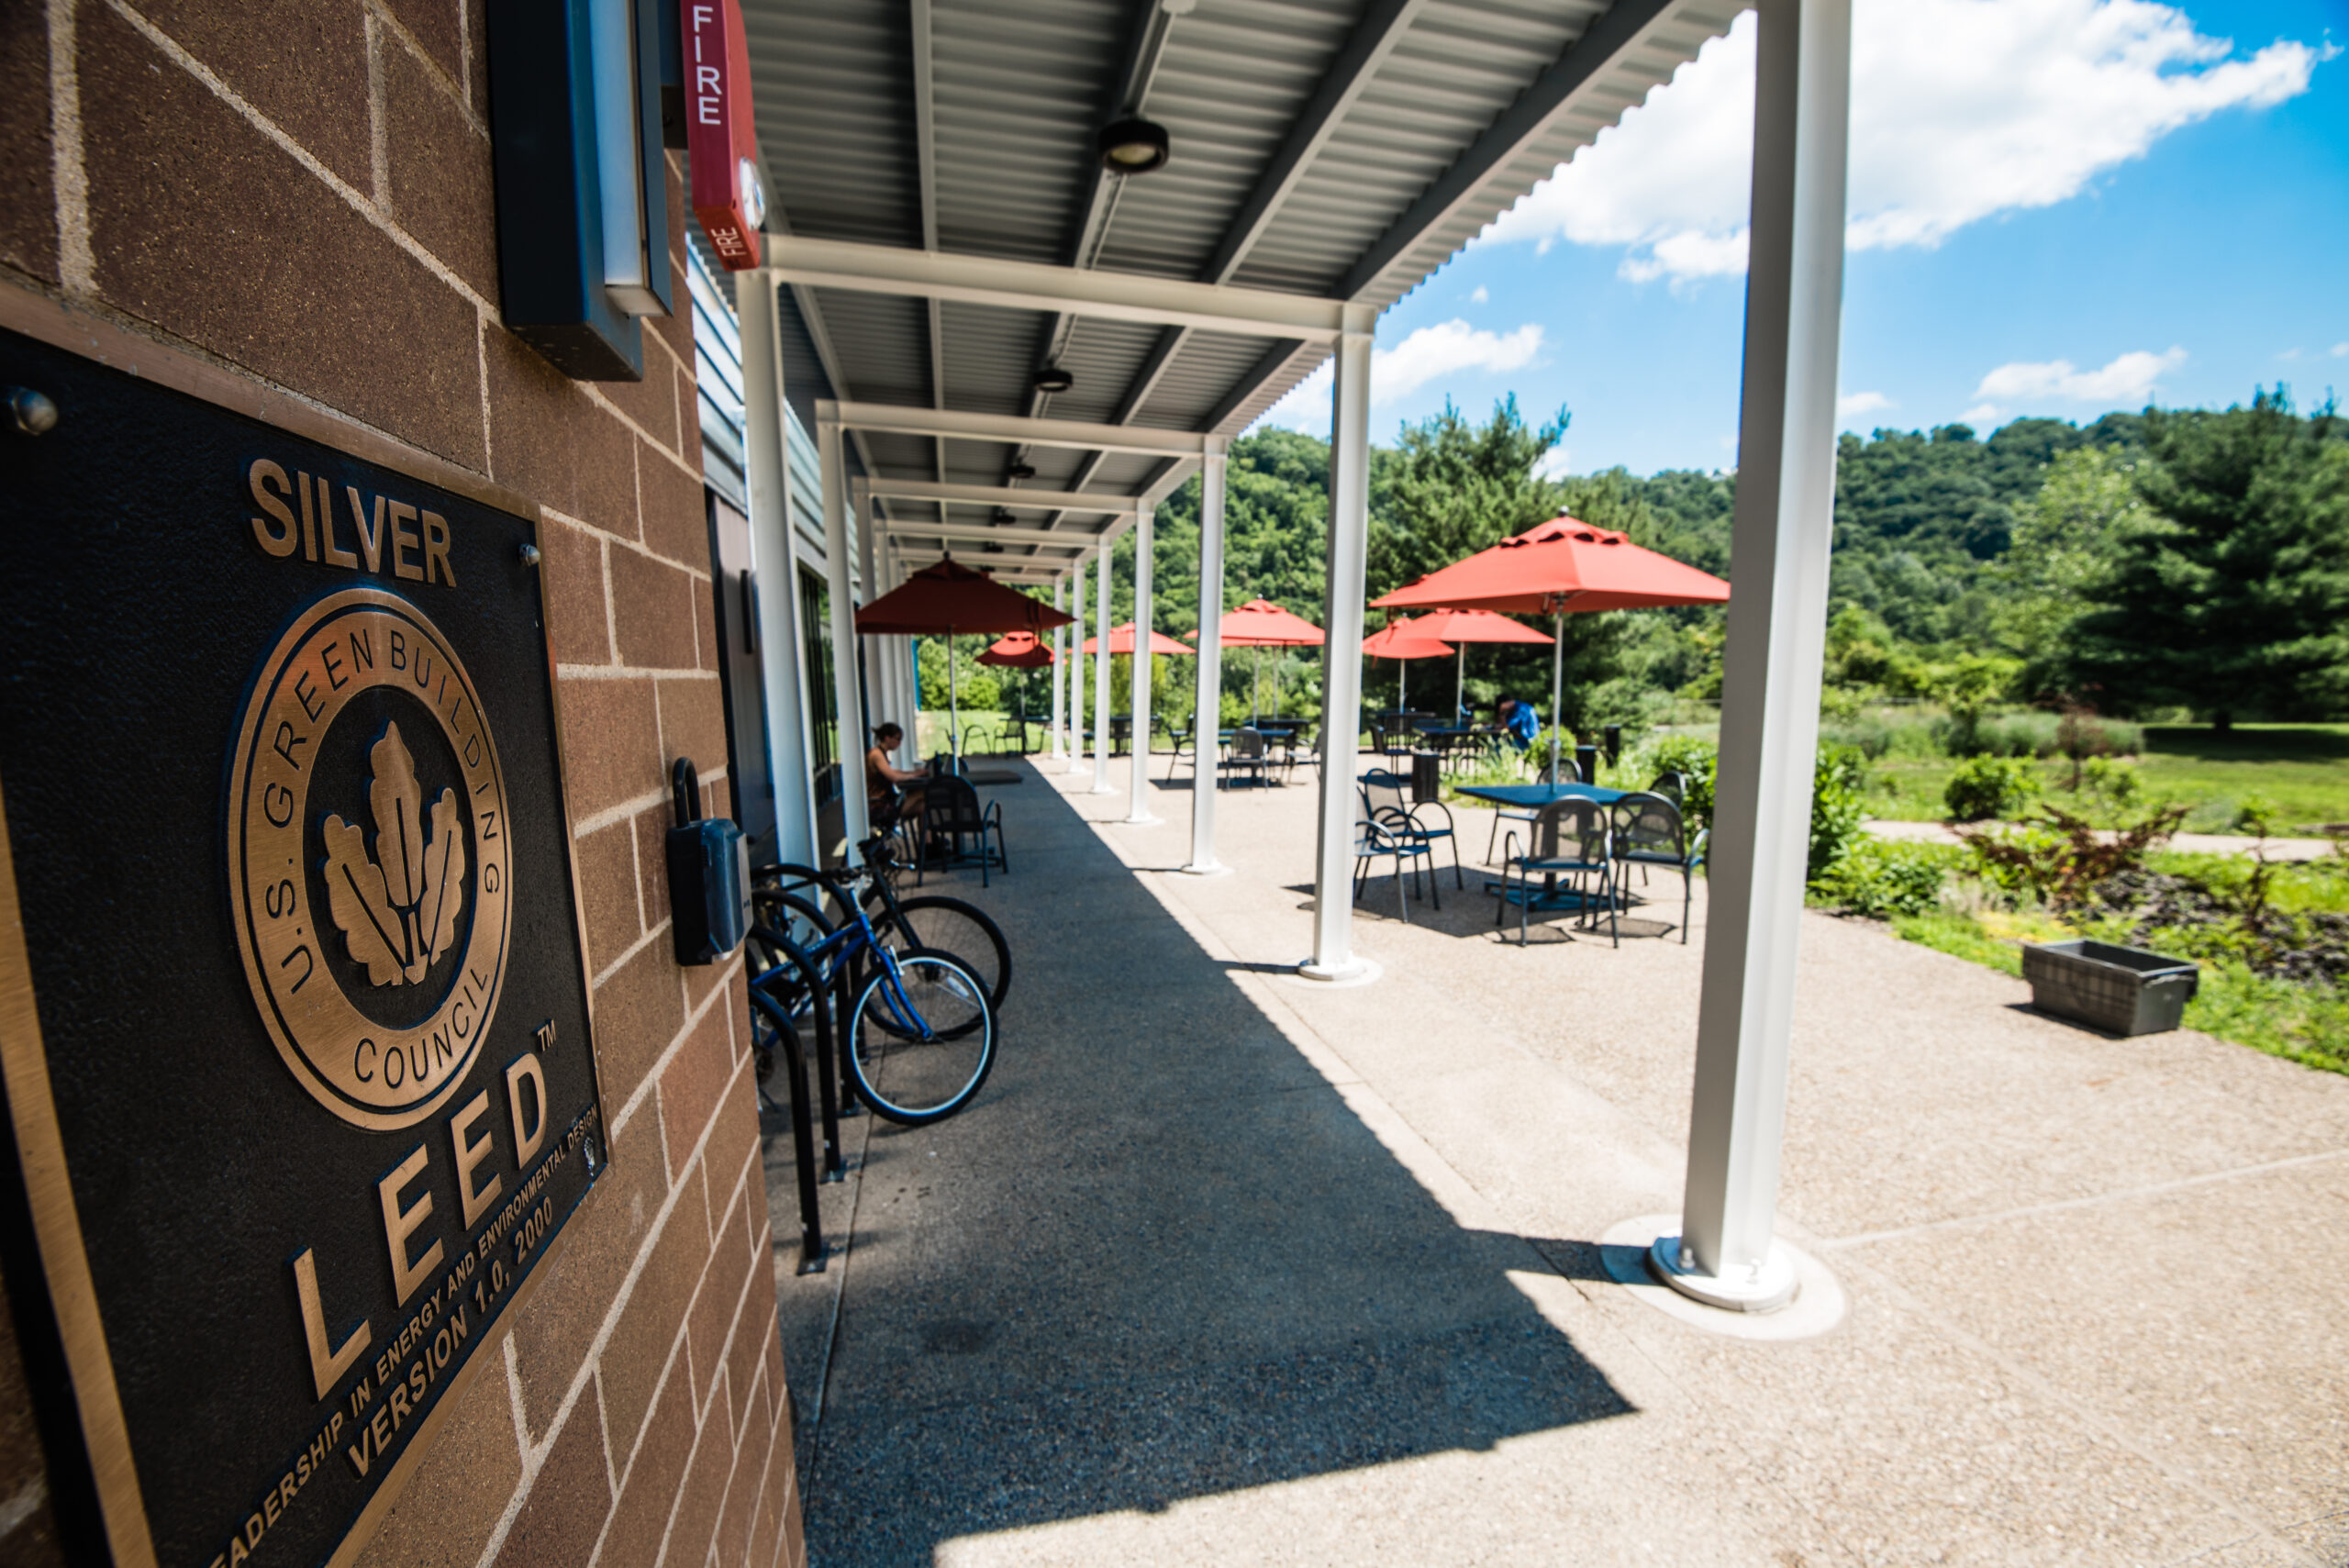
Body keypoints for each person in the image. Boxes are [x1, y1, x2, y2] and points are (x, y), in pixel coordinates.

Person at [865, 723, 928, 828]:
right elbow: (893, 777)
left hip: (885, 802)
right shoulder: (876, 754)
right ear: (887, 738)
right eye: (897, 739)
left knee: (923, 806)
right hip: (880, 806)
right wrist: (915, 775)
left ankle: (927, 843)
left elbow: (893, 772)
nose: (899, 743)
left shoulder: (880, 753)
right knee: (921, 793)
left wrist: (912, 773)